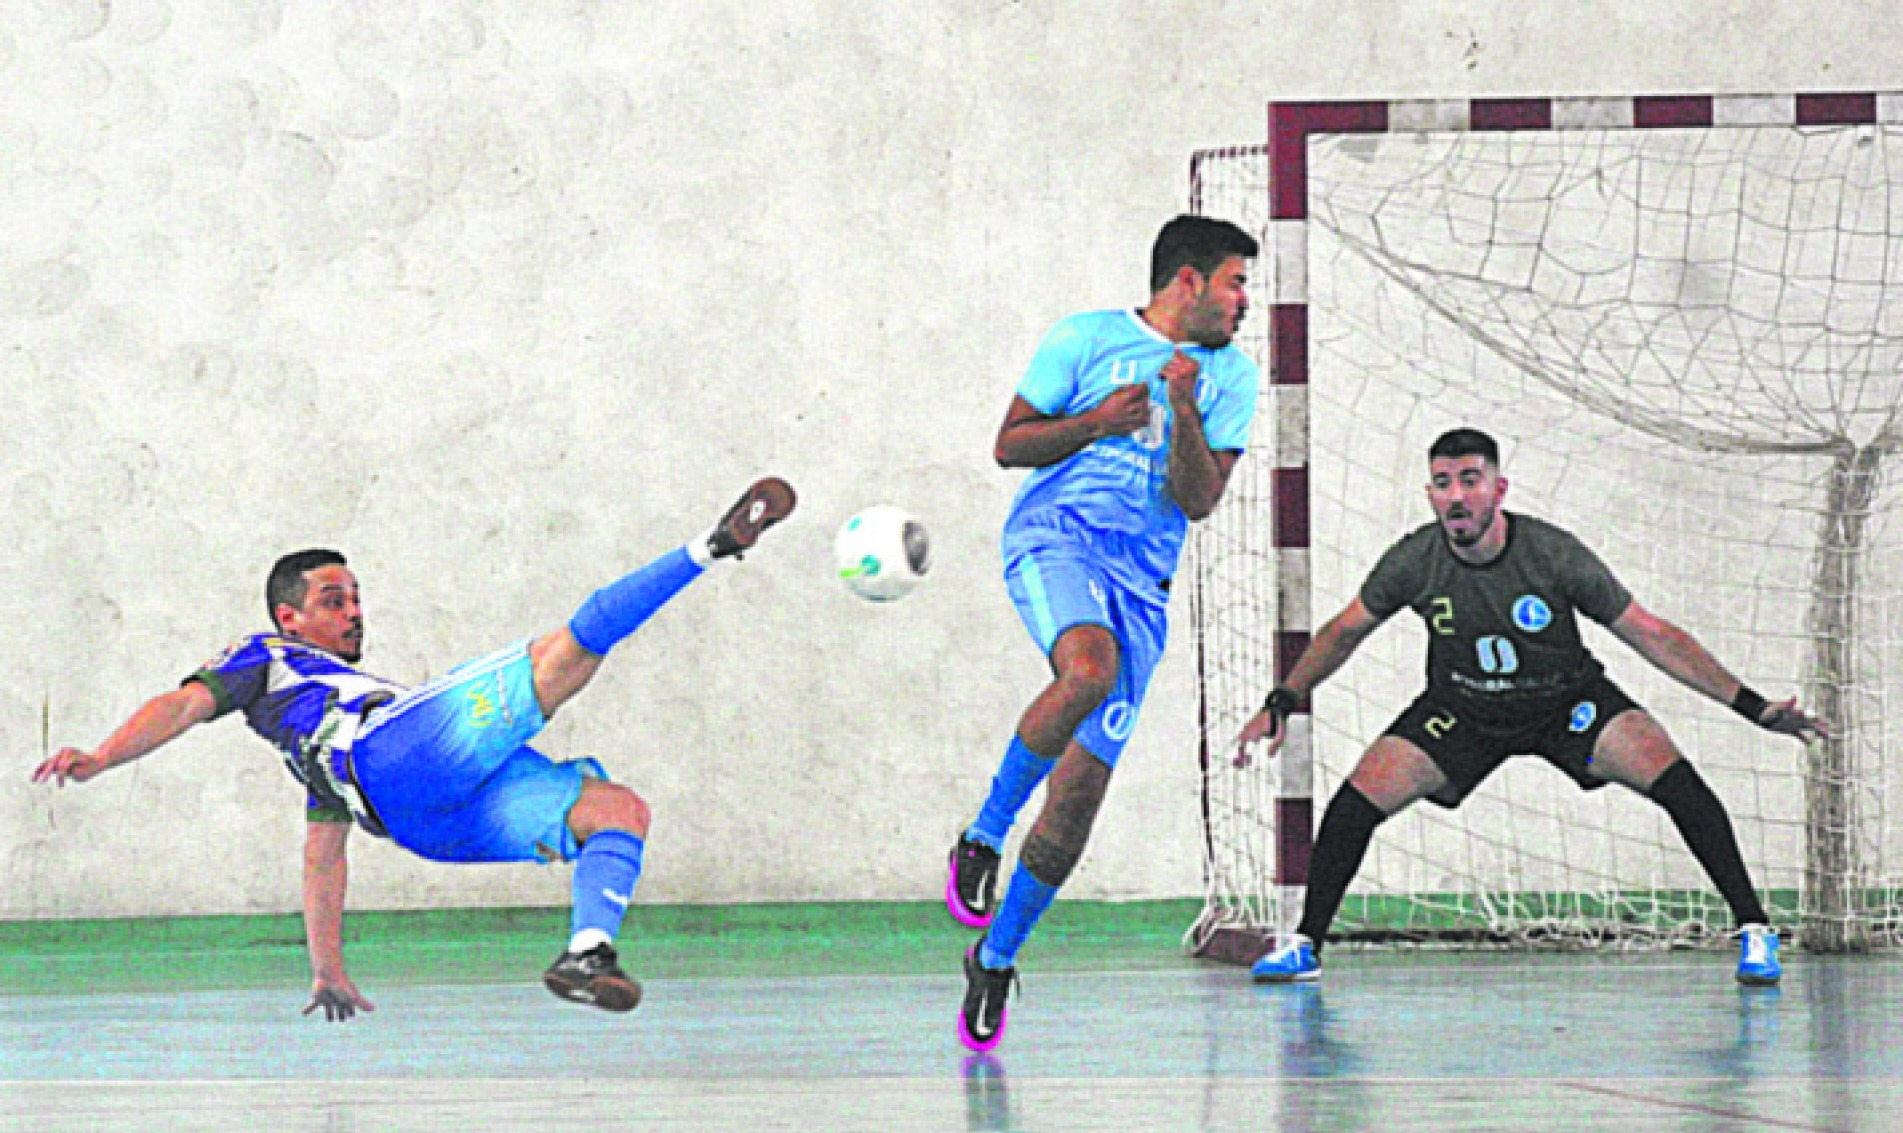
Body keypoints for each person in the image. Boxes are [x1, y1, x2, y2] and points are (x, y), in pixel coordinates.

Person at [32, 478, 797, 1019]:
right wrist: (104, 756)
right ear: (287, 617)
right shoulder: (266, 656)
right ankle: (711, 544)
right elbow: (183, 703)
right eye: (334, 601)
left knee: (617, 811)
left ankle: (587, 952)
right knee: (565, 654)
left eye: (358, 598)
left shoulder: (313, 735)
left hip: (422, 822)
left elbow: (323, 857)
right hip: (399, 758)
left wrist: (326, 966)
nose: (353, 613)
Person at [1234, 429, 1825, 987]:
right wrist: (1284, 698)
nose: (1457, 495)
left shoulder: (1551, 555)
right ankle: (1306, 945)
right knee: (1355, 802)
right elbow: (1342, 633)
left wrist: (1754, 708)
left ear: (1499, 490)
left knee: (1674, 777)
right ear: (1430, 495)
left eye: (1471, 479)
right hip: (1461, 709)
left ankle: (1754, 928)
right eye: (1443, 483)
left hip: (1568, 702)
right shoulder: (1414, 560)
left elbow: (1652, 635)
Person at [948, 215, 1261, 1051]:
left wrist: (1183, 410)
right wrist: (1096, 422)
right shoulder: (1085, 338)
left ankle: (998, 956)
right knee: (1086, 669)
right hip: (1057, 540)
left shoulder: (1231, 377)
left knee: (1080, 793)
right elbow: (1009, 446)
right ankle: (981, 836)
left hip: (1141, 585)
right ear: (1186, 281)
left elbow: (1197, 501)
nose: (1243, 302)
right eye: (1234, 282)